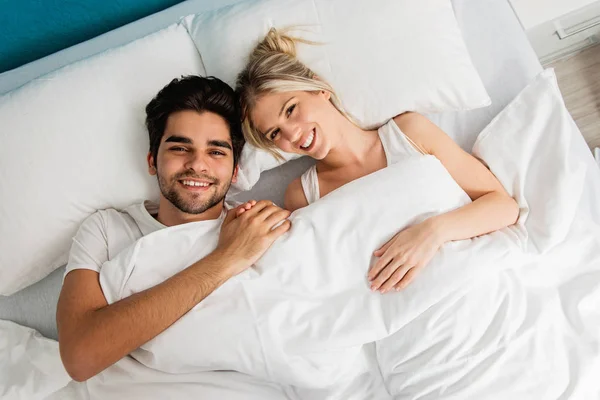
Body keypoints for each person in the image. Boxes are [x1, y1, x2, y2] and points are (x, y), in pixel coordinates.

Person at [235, 28, 519, 294]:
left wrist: (432, 232)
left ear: (319, 89)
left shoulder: (408, 133)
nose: (291, 134)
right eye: (275, 133)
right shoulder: (303, 195)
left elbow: (503, 206)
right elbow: (324, 276)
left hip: (477, 283)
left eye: (291, 109)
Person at [56, 75, 291, 382]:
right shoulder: (106, 229)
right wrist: (226, 259)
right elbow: (79, 358)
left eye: (216, 151)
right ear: (153, 161)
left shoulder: (257, 227)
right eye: (180, 148)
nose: (197, 165)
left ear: (235, 171)